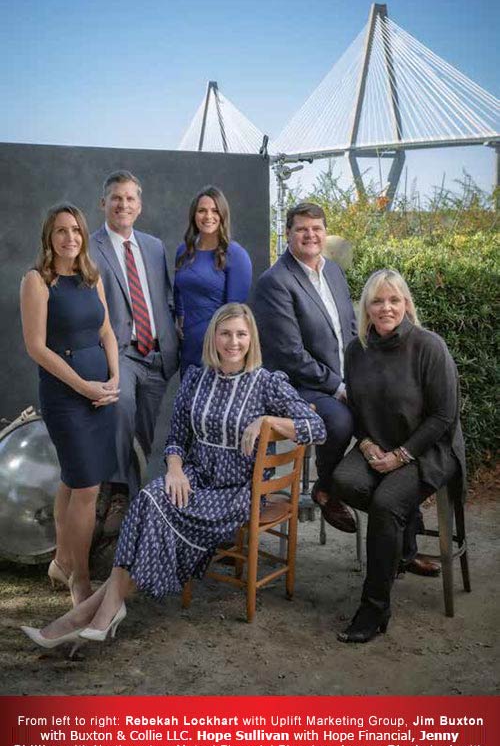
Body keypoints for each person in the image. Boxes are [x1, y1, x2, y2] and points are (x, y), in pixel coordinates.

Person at [21, 303, 325, 651]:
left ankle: (83, 617)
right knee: (151, 497)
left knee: (156, 515)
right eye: (225, 333)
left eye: (241, 334)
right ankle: (101, 614)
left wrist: (268, 422)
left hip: (236, 492)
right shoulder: (196, 378)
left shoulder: (266, 384)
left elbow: (316, 426)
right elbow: (177, 438)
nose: (233, 342)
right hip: (195, 479)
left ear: (251, 338)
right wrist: (176, 469)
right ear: (214, 337)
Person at [331, 269, 466, 643]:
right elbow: (357, 407)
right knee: (344, 481)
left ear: (406, 303)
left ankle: (374, 609)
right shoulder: (356, 349)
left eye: (394, 299)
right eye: (377, 300)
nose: (386, 307)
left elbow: (444, 416)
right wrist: (364, 442)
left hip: (430, 449)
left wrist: (402, 456)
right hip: (379, 443)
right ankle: (403, 544)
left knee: (387, 503)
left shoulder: (428, 346)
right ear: (366, 308)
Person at [20, 203, 119, 605]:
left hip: (101, 395)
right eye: (61, 231)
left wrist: (114, 378)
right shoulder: (36, 281)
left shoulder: (91, 278)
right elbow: (36, 348)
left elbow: (107, 331)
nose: (70, 238)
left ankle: (61, 563)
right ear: (49, 237)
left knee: (72, 479)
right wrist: (84, 386)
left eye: (76, 230)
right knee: (87, 487)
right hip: (66, 396)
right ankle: (80, 579)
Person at [253, 201, 357, 532]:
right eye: (301, 229)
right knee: (340, 422)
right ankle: (327, 488)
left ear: (325, 233)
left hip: (339, 378)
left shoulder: (334, 272)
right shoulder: (276, 282)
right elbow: (290, 355)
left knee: (388, 416)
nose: (310, 235)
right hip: (298, 385)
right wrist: (338, 387)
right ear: (287, 234)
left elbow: (350, 330)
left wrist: (359, 379)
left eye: (316, 229)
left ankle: (395, 530)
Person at [89, 170, 179, 534]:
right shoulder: (89, 247)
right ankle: (118, 492)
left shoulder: (154, 246)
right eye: (116, 198)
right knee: (120, 408)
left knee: (146, 431)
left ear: (139, 207)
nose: (123, 204)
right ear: (104, 203)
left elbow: (165, 296)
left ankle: (135, 499)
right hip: (119, 352)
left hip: (157, 354)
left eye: (130, 199)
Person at [174, 186, 252, 375]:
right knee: (190, 401)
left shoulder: (236, 255)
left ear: (223, 215)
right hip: (189, 344)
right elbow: (178, 291)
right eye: (202, 210)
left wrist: (222, 347)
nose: (208, 216)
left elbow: (234, 313)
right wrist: (179, 319)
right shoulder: (183, 251)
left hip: (218, 349)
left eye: (215, 210)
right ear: (194, 215)